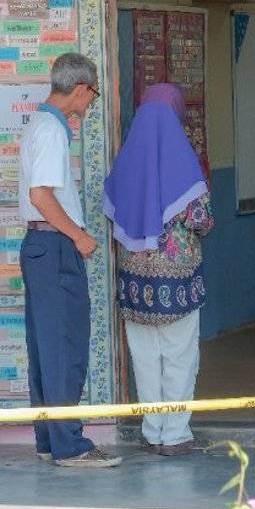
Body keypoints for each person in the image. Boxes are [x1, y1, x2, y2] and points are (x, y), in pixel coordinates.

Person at [18, 53, 121, 468]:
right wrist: (78, 236)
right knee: (63, 344)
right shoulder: (52, 131)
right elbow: (41, 196)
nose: (90, 101)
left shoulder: (43, 126)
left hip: (43, 247)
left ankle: (50, 438)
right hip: (55, 246)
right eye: (92, 93)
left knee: (46, 346)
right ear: (79, 89)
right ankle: (70, 445)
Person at [103, 83, 213, 456]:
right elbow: (202, 220)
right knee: (180, 355)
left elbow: (112, 208)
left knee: (145, 356)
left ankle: (152, 432)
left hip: (135, 280)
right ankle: (176, 435)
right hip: (178, 280)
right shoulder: (183, 160)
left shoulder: (126, 160)